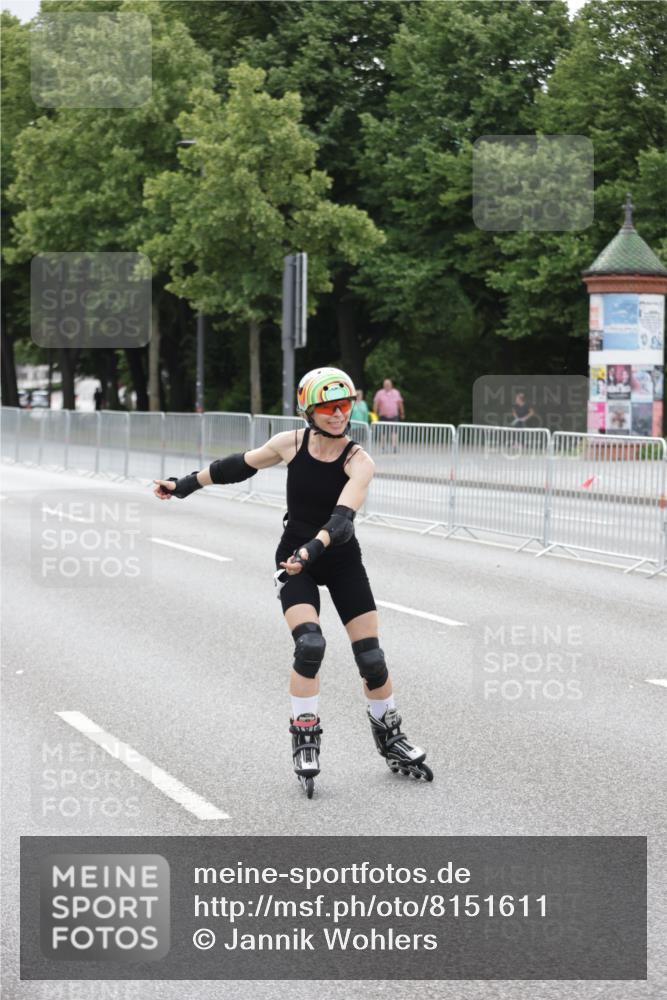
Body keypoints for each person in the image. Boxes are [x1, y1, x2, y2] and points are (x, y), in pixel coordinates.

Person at [153, 366, 432, 798]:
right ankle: (305, 736)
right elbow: (236, 467)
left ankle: (389, 733)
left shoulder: (360, 461)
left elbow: (341, 522)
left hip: (337, 558)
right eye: (328, 408)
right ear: (309, 410)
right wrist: (183, 484)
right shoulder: (291, 443)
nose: (339, 415)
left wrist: (312, 550)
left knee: (371, 658)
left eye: (345, 406)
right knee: (310, 646)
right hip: (292, 556)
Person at [373, 378, 405, 452]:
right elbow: (376, 403)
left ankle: (394, 447)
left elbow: (400, 403)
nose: (387, 385)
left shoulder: (396, 392)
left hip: (394, 415)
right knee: (383, 433)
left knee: (395, 432)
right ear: (383, 385)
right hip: (383, 415)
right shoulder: (379, 393)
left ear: (391, 385)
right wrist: (375, 414)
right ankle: (383, 448)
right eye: (385, 384)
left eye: (388, 384)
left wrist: (402, 413)